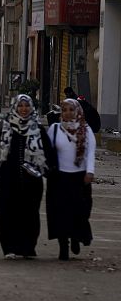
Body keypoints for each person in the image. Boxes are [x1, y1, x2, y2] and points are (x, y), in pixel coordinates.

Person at [0, 94, 53, 259]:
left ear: (31, 108)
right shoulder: (8, 128)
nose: (23, 109)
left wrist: (51, 173)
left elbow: (48, 154)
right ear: (15, 108)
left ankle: (28, 247)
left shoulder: (38, 129)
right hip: (8, 179)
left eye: (26, 106)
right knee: (7, 214)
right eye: (20, 106)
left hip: (32, 180)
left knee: (30, 214)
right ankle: (9, 248)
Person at [46, 98, 95, 261]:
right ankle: (63, 246)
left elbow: (90, 154)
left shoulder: (86, 130)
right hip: (59, 178)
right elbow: (47, 151)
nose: (67, 113)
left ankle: (76, 237)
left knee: (80, 212)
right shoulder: (54, 129)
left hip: (80, 179)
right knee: (60, 213)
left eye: (71, 110)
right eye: (64, 110)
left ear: (77, 111)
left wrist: (90, 172)